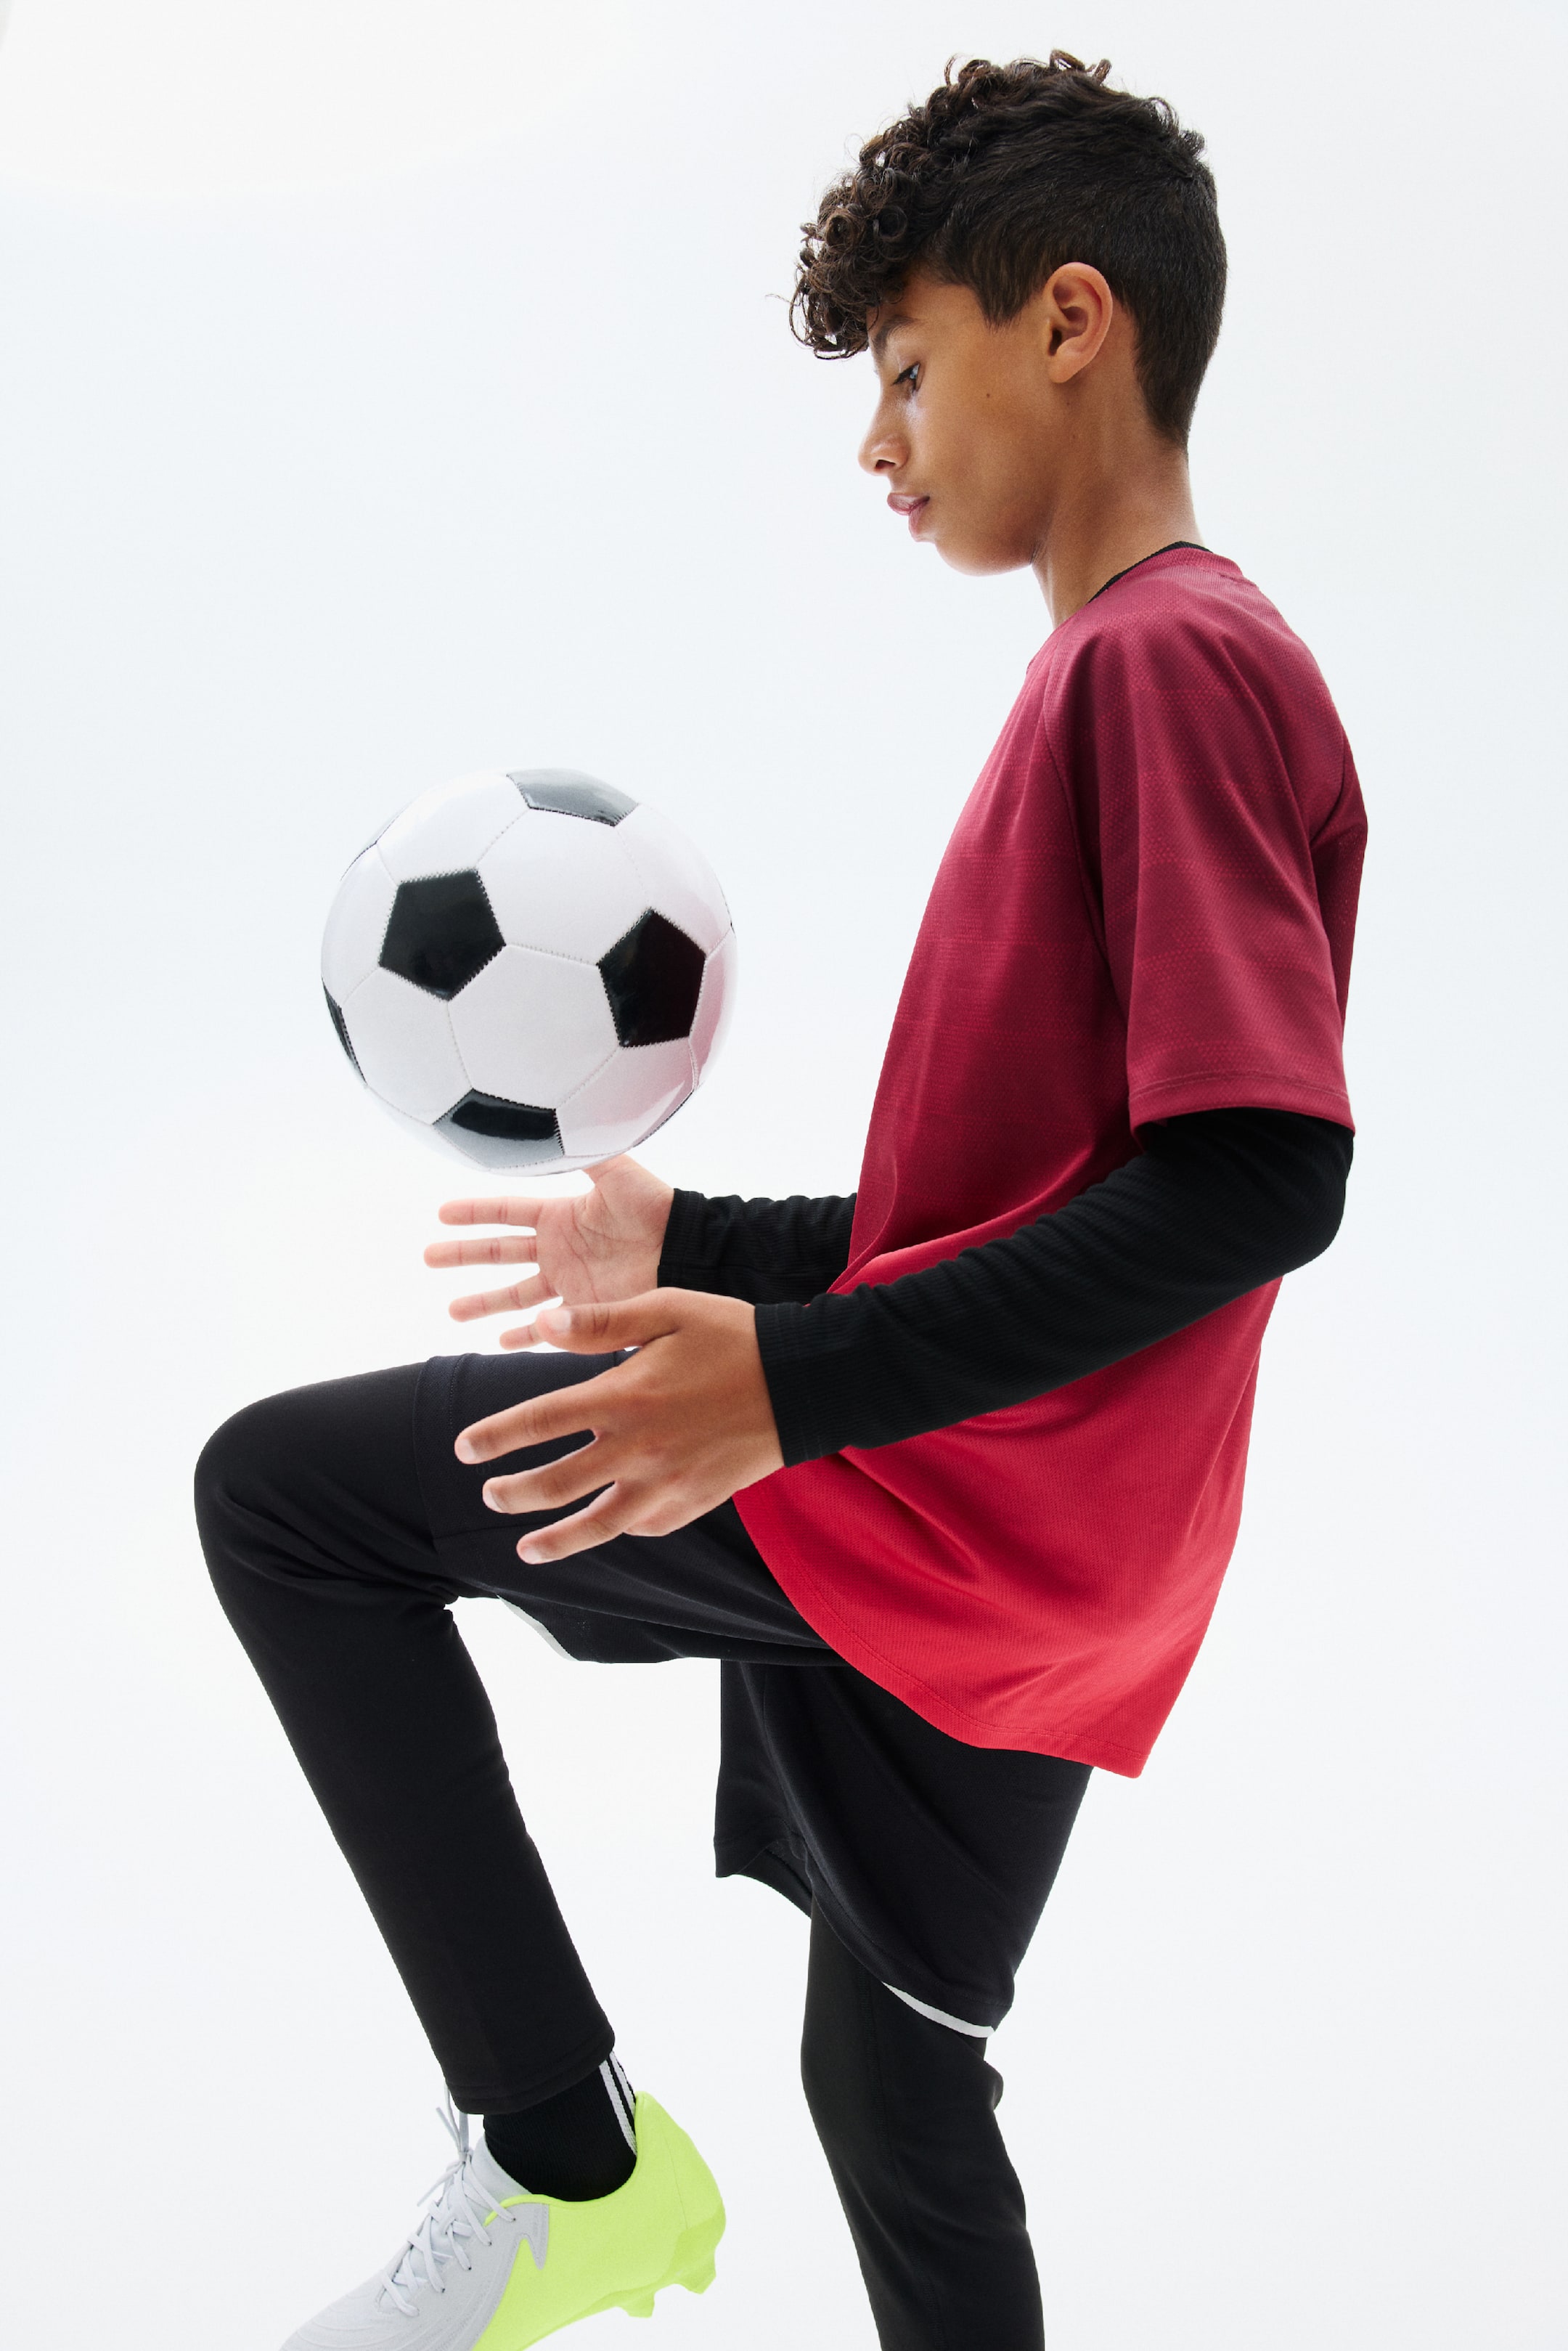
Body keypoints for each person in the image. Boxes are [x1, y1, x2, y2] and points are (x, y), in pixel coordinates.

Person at [196, 51, 1366, 2351]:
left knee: (285, 1506)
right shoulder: (1144, 671)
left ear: (1071, 322)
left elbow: (1259, 1178)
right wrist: (710, 1253)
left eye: (908, 370)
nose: (879, 442)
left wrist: (789, 1389)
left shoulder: (1168, 664)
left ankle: (564, 2167)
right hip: (1072, 1564)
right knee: (897, 2086)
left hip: (950, 1504)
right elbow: (1058, 1192)